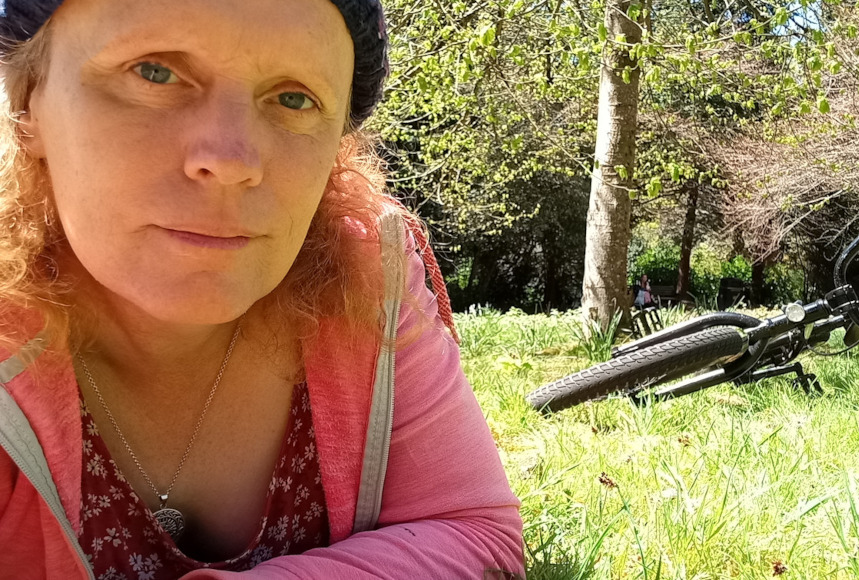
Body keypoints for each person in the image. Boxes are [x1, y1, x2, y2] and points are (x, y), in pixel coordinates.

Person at [0, 0, 524, 578]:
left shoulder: (368, 278)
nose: (230, 159)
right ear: (28, 103)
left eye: (294, 98)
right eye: (154, 71)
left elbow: (476, 535)